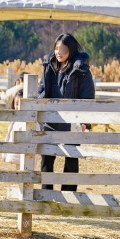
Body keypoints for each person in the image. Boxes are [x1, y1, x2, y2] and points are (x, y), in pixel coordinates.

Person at [38, 33, 95, 192]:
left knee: (71, 158)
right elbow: (42, 90)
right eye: (56, 48)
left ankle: (69, 195)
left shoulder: (81, 69)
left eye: (63, 49)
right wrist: (39, 112)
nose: (58, 52)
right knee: (47, 158)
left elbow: (88, 96)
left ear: (71, 50)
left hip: (72, 120)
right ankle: (46, 193)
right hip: (50, 118)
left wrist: (85, 121)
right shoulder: (48, 65)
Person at [2, 87, 26, 164]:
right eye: (16, 104)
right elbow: (8, 137)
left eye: (21, 104)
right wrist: (5, 153)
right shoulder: (15, 120)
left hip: (23, 155)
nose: (18, 107)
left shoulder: (28, 122)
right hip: (14, 154)